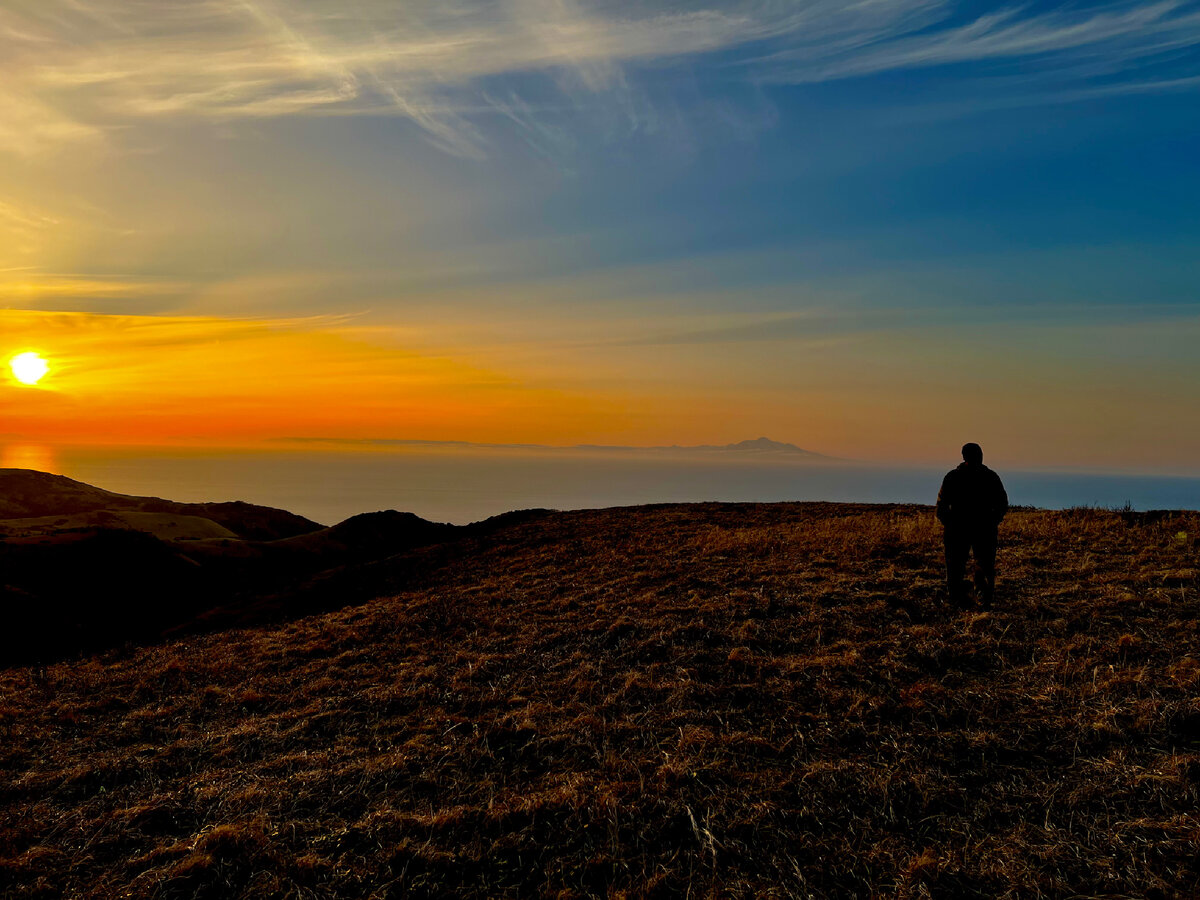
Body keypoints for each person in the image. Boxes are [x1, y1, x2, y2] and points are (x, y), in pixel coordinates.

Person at [936, 443, 1008, 606]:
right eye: (978, 453)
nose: (980, 456)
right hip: (973, 529)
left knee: (970, 564)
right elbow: (1002, 503)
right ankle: (967, 598)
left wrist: (949, 523)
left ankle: (972, 598)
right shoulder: (988, 477)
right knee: (963, 565)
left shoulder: (954, 476)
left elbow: (941, 505)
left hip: (970, 529)